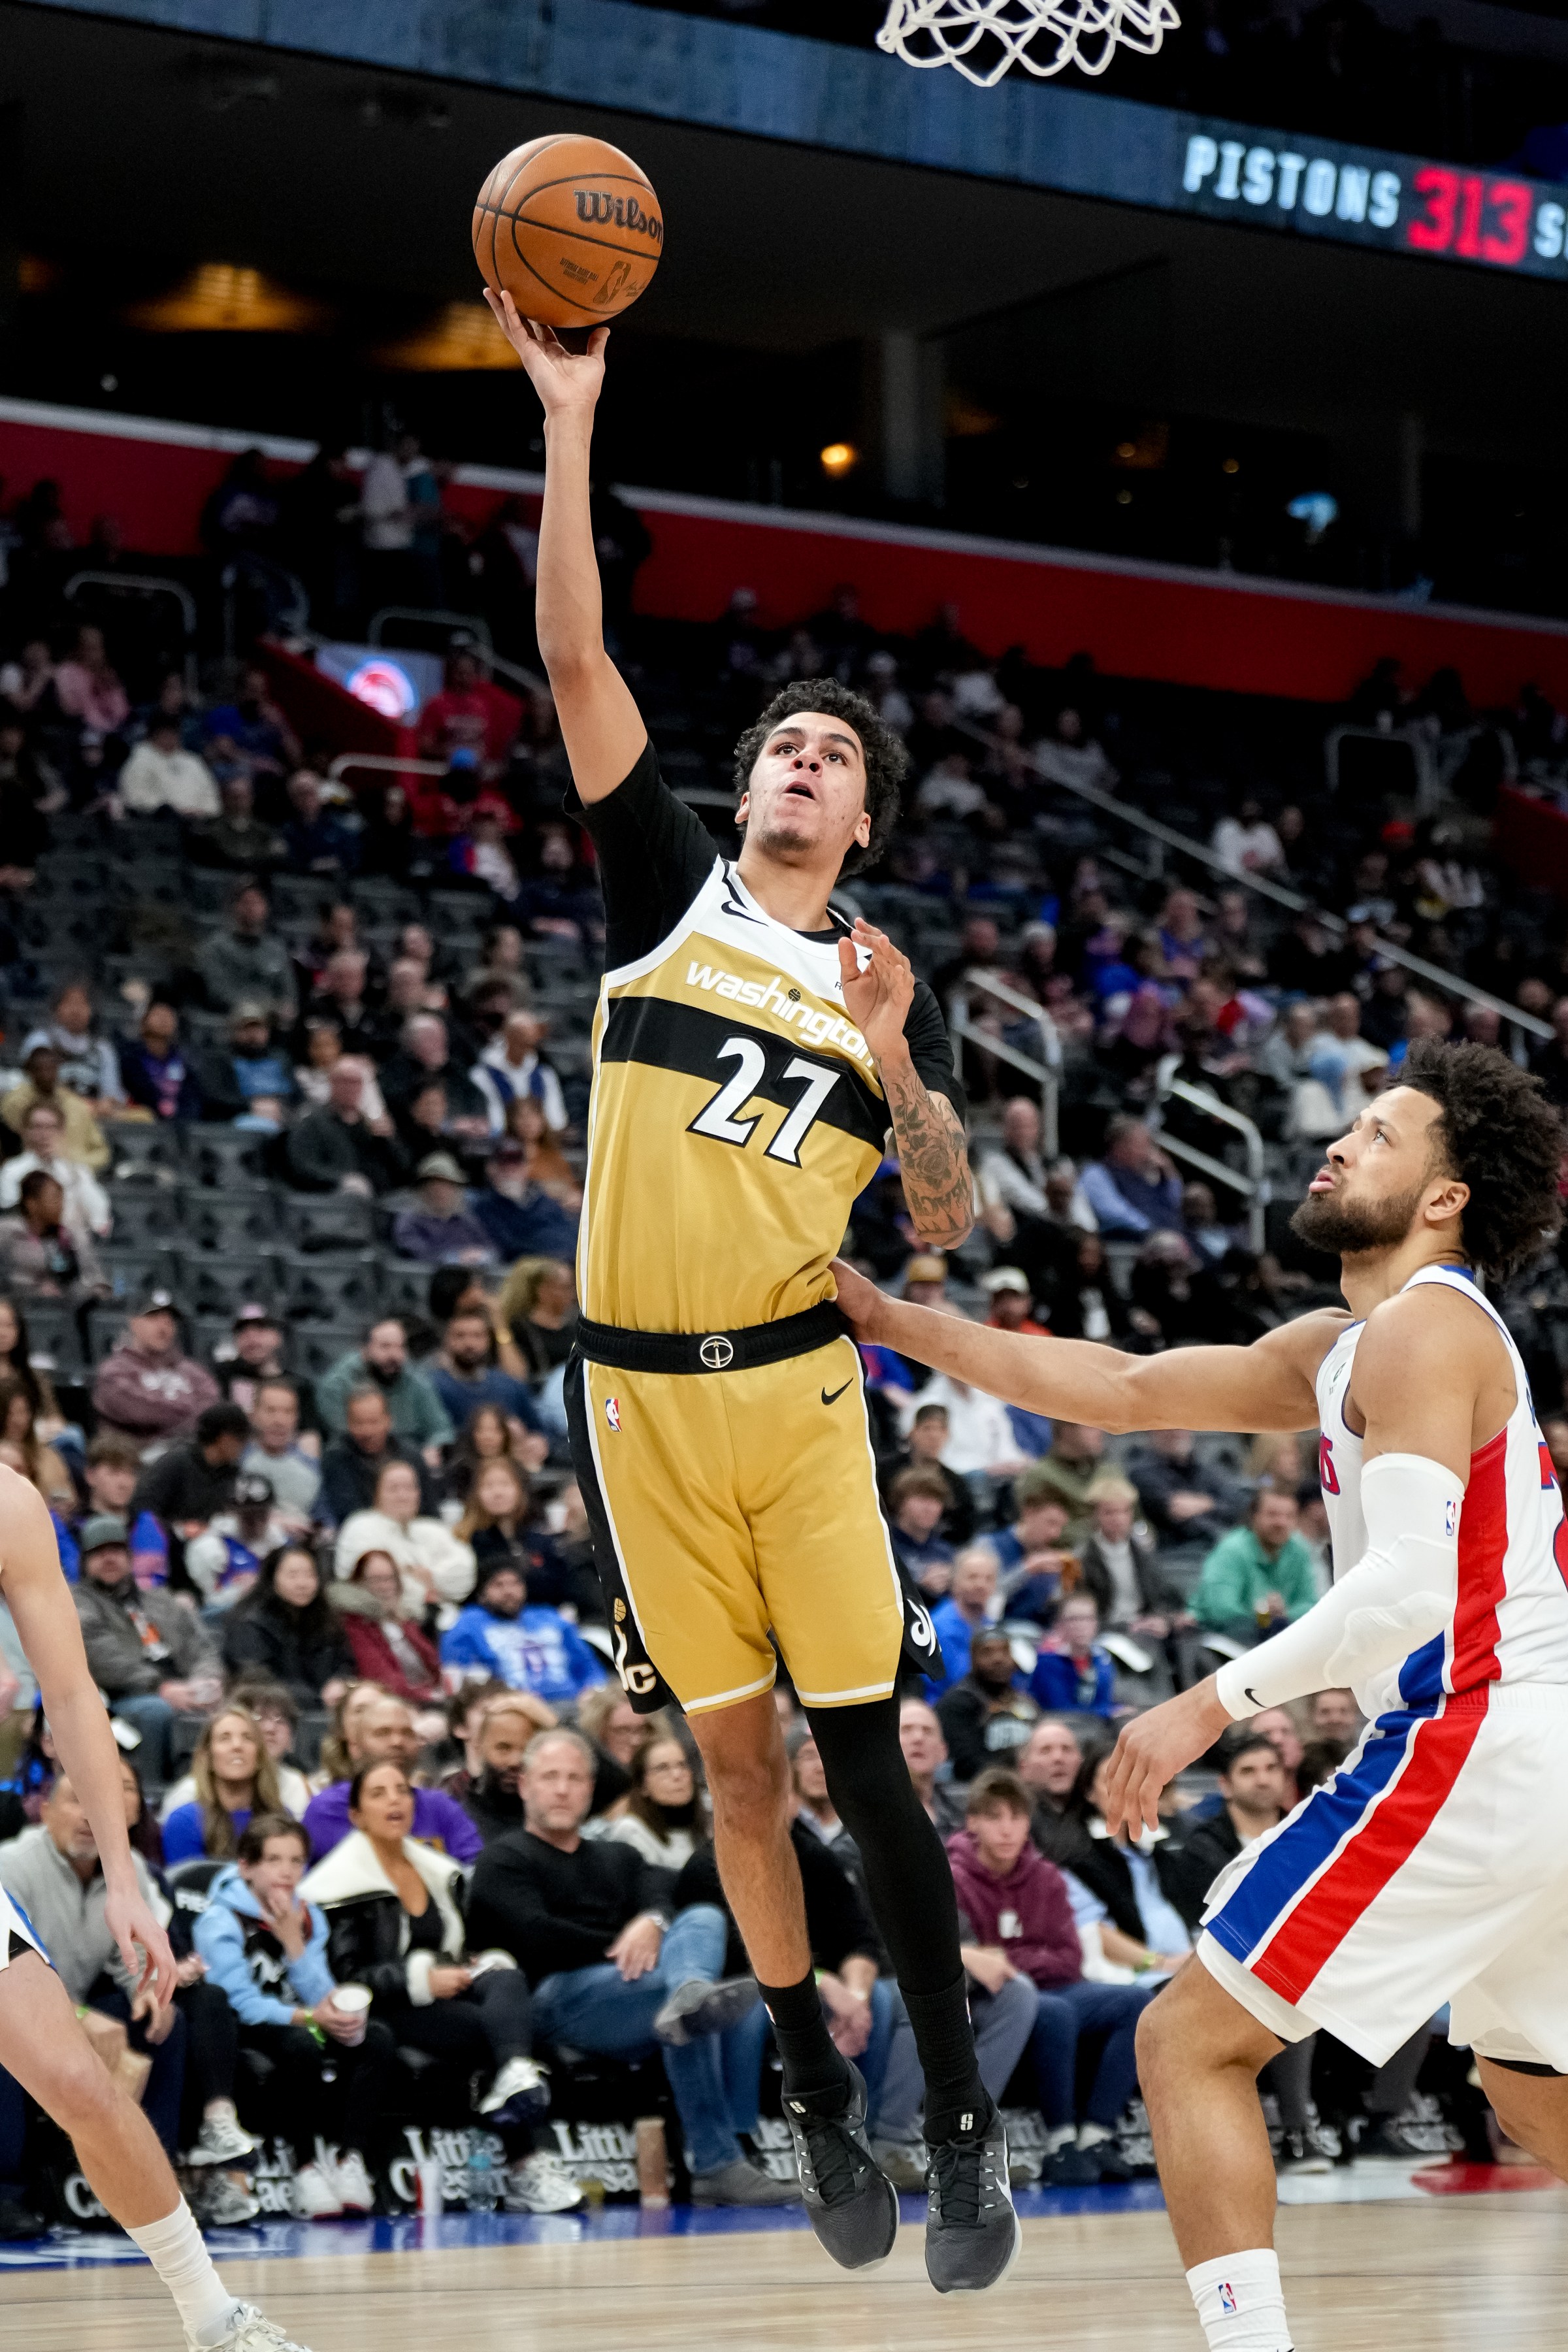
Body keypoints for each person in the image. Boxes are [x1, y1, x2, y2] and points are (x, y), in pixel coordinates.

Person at [486, 284, 1008, 2285]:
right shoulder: (666, 891)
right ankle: (812, 2083)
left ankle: (954, 2117)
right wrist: (569, 419)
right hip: (632, 1403)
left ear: (863, 818)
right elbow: (571, 651)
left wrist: (897, 1066)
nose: (799, 760)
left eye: (830, 755)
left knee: (860, 1755)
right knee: (727, 1770)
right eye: (782, 743)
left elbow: (941, 1219)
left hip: (795, 1394)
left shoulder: (880, 987)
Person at [832, 1039, 1568, 2352]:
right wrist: (890, 1321)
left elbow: (1409, 1587)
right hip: (1534, 1749)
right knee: (1529, 2089)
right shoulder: (1347, 1344)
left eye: (1380, 1136)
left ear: (1446, 1197)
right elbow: (1122, 1390)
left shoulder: (1428, 1325)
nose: (1338, 1144)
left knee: (1185, 2042)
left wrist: (1206, 1704)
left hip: (1481, 1730)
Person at [0, 1465, 310, 2349]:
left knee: (76, 2082)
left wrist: (127, 1880)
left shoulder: (10, 1505)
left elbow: (73, 1697)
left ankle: (214, 2318)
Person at [466, 1728, 789, 2209]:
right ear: (525, 1785)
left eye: (575, 1778)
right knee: (688, 1997)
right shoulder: (504, 1858)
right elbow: (538, 1937)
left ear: (591, 1789)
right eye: (550, 1777)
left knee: (704, 1924)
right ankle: (716, 2162)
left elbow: (665, 1894)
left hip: (638, 1991)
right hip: (555, 1999)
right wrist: (628, 1944)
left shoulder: (619, 1855)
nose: (562, 1789)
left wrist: (653, 1921)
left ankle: (729, 2136)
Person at [301, 1759, 581, 2216]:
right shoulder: (337, 1887)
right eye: (378, 1794)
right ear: (356, 1815)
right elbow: (348, 1978)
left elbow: (456, 1945)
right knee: (494, 2030)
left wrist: (468, 1965)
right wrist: (422, 1981)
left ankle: (516, 2075)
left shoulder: (437, 1871)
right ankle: (526, 2164)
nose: (395, 1800)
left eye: (402, 1790)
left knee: (506, 1977)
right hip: (384, 2009)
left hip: (444, 1994)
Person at [947, 1769, 1152, 2185]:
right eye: (994, 1817)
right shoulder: (952, 1877)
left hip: (1056, 1986)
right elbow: (972, 1962)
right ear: (972, 1823)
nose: (1007, 1829)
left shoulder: (1046, 1876)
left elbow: (1070, 1959)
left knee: (1137, 2002)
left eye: (1016, 1817)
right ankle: (1060, 2142)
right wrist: (1021, 1959)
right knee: (1054, 2011)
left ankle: (1098, 2133)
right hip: (994, 1997)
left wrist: (1007, 1957)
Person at [194, 1814, 399, 2222]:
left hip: (303, 2017)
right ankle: (305, 2168)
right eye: (274, 1860)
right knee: (302, 2045)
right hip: (247, 2027)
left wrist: (294, 1945)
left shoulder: (308, 1916)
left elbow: (322, 1992)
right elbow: (237, 2001)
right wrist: (309, 2017)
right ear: (246, 1867)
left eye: (296, 1861)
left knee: (376, 2037)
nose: (287, 1872)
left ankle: (350, 2159)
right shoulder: (220, 1920)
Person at [72, 1515, 221, 1782]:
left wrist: (206, 1680)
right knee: (155, 1711)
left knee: (241, 1707)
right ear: (85, 1562)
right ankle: (151, 1791)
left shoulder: (160, 1599)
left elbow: (201, 1646)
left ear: (130, 1557)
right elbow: (105, 1661)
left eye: (116, 1550)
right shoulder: (78, 1604)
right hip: (117, 1700)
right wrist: (162, 1687)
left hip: (181, 1686)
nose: (109, 1558)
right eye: (99, 1553)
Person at [302, 1692, 482, 1864]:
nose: (397, 1742)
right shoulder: (328, 1810)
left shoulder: (440, 1807)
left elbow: (472, 1868)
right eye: (383, 1733)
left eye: (407, 1733)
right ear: (355, 1747)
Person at [440, 1558, 606, 1706]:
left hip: (573, 1702)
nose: (509, 1591)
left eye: (516, 1583)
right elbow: (464, 1685)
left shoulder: (550, 1618)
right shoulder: (467, 1627)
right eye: (498, 1585)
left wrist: (592, 1690)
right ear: (482, 1593)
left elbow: (588, 1665)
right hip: (511, 1708)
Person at [220, 1545, 355, 1712]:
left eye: (310, 1575)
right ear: (272, 1578)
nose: (302, 1584)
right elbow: (256, 1679)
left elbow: (345, 1663)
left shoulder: (326, 1619)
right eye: (292, 1576)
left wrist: (340, 1682)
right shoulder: (249, 1624)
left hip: (326, 1709)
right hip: (272, 1711)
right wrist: (317, 1699)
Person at [331, 1458, 475, 1612]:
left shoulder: (432, 1529)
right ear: (377, 1494)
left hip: (442, 1617)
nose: (403, 1496)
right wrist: (428, 1590)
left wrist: (430, 1576)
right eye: (393, 1489)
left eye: (409, 1488)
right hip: (379, 1618)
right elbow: (375, 1584)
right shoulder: (361, 1527)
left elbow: (465, 1573)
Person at [1192, 1488, 1318, 1650]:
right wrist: (1262, 1615)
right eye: (1273, 1515)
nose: (1281, 1523)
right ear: (1254, 1516)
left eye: (1289, 1516)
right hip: (1223, 1640)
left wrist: (1284, 1614)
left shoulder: (1299, 1550)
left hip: (1279, 1638)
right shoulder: (1232, 1550)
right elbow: (1220, 1609)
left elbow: (1310, 1604)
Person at [161, 1705, 286, 1866]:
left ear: (260, 1756)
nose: (237, 1746)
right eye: (225, 1738)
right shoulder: (184, 1821)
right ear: (208, 1757)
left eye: (247, 1738)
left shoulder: (282, 1818)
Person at [93, 1292, 220, 1446]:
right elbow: (139, 1412)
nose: (163, 1326)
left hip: (187, 1452)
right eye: (153, 1317)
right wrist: (188, 1412)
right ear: (133, 1322)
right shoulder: (114, 1371)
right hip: (136, 1455)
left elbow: (212, 1410)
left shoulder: (194, 1372)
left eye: (169, 1320)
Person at [316, 1321, 453, 1454]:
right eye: (385, 1346)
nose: (394, 1355)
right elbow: (345, 1435)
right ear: (365, 1349)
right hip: (355, 1456)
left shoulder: (416, 1380)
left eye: (400, 1347)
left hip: (410, 1457)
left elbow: (442, 1430)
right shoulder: (337, 1385)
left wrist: (433, 1449)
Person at [332, 1548, 442, 1705]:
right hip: (394, 1703)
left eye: (390, 1579)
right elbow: (382, 1680)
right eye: (377, 1580)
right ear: (359, 1583)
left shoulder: (406, 1620)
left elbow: (435, 1665)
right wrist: (431, 1696)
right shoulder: (356, 1624)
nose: (386, 1586)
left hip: (428, 1697)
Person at [285, 1057, 408, 1197]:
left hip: (384, 1197)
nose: (352, 1088)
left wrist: (389, 1140)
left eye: (357, 1082)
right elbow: (302, 1166)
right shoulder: (312, 1122)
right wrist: (342, 1180)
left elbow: (403, 1167)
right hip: (336, 1197)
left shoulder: (370, 1124)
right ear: (332, 1083)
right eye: (346, 1082)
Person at [428, 1307, 548, 1448]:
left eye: (477, 1336)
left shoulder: (510, 1385)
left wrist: (536, 1442)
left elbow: (540, 1432)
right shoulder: (432, 1386)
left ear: (489, 1340)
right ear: (447, 1341)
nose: (469, 1344)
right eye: (460, 1336)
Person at [318, 1385, 433, 1527]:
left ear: (388, 1420)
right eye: (359, 1423)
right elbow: (349, 1515)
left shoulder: (412, 1456)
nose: (367, 1431)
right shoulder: (337, 1458)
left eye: (374, 1422)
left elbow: (430, 1511)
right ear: (348, 1423)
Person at [130, 1401, 251, 1535]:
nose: (244, 1445)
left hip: (211, 1540)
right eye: (242, 1439)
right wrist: (178, 1529)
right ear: (225, 1439)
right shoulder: (177, 1462)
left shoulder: (231, 1472)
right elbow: (141, 1508)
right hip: (167, 1542)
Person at [0, 1098, 112, 1240]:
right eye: (37, 1127)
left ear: (62, 1131)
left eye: (51, 1127)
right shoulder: (12, 1170)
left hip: (73, 1243)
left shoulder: (77, 1170)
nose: (44, 1134)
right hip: (29, 1243)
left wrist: (69, 1165)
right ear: (25, 1131)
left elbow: (99, 1214)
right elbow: (13, 1217)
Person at [595, 1731, 706, 1873]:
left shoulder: (707, 1827)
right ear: (643, 1785)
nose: (677, 1775)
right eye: (663, 1768)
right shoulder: (631, 1831)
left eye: (682, 1765)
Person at [936, 1629, 1037, 1778]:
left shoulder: (1027, 1702)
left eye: (1005, 1651)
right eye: (987, 1652)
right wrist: (1013, 1777)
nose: (998, 1659)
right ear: (973, 1659)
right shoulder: (956, 1704)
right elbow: (967, 1763)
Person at [197, 881, 297, 1026]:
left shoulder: (276, 949)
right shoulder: (216, 947)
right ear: (235, 907)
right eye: (246, 902)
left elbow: (289, 992)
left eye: (257, 903)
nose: (251, 908)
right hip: (230, 1020)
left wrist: (284, 1008)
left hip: (272, 1023)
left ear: (266, 908)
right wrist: (253, 1010)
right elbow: (217, 991)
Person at [0, 1169, 106, 1303]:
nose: (60, 1206)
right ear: (31, 1203)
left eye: (61, 1199)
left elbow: (95, 1278)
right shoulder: (7, 1233)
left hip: (66, 1307)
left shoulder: (73, 1236)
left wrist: (96, 1292)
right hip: (16, 1305)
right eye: (54, 1199)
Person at [391, 1152, 498, 1267]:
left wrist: (482, 1256)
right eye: (434, 1186)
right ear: (422, 1190)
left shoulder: (466, 1220)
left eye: (447, 1186)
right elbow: (417, 1253)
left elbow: (493, 1250)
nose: (441, 1192)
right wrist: (456, 1258)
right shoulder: (409, 1221)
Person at [241, 1379, 323, 1528]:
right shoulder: (236, 1461)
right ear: (253, 1415)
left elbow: (324, 1521)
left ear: (296, 1419)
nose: (279, 1421)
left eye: (287, 1412)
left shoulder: (312, 1469)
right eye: (271, 1411)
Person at [1029, 1593, 1119, 1720]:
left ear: (1096, 1624)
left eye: (1088, 1618)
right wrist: (1109, 1712)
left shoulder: (1102, 1660)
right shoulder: (1048, 1662)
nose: (1081, 1625)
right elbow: (1061, 1710)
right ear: (1059, 1625)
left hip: (1096, 1726)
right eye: (1074, 1619)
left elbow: (1104, 1702)